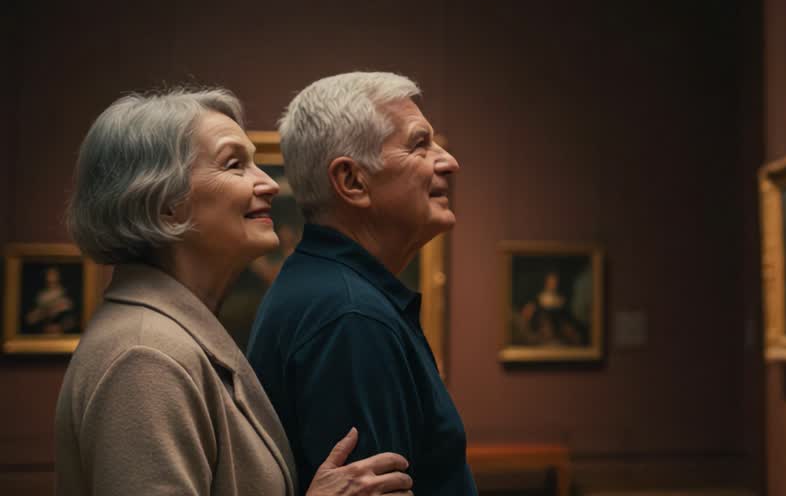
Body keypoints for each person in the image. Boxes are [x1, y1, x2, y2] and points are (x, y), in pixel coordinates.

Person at [55, 87, 412, 496]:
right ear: (164, 201)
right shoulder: (145, 356)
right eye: (235, 165)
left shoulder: (170, 336)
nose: (269, 184)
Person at [247, 72, 475, 495]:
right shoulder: (350, 316)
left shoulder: (329, 290)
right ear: (352, 181)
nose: (448, 161)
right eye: (420, 144)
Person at [26, 267, 75, 334]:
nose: (51, 278)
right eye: (49, 276)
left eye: (54, 276)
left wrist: (61, 326)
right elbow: (30, 320)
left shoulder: (65, 297)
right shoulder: (40, 297)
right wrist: (44, 313)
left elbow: (71, 322)